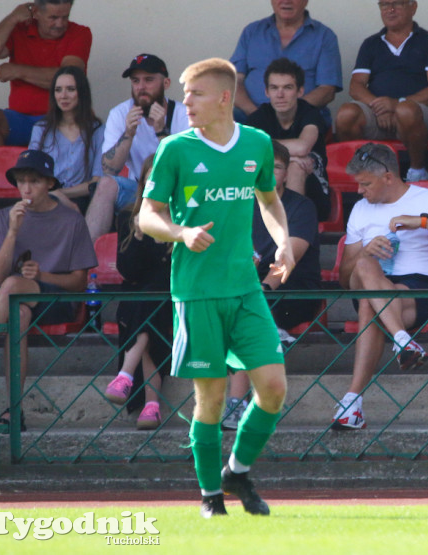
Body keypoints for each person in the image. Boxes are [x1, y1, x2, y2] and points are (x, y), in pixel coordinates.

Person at [139, 58, 294, 518]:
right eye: (184, 95)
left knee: (273, 389)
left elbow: (270, 201)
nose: (185, 102)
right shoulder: (175, 149)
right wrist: (180, 233)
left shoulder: (258, 144)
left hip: (245, 290)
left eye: (195, 94)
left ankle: (237, 471)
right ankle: (210, 496)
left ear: (224, 98)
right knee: (210, 399)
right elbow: (148, 216)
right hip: (196, 292)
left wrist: (283, 243)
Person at [332, 143, 428, 430]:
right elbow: (344, 278)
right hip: (371, 281)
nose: (359, 192)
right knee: (364, 268)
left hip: (419, 288)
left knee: (370, 304)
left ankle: (352, 403)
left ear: (388, 177)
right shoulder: (360, 210)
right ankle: (402, 340)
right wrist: (366, 252)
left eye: (365, 184)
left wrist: (423, 221)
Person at [0, 150, 97, 431]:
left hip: (59, 299)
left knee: (12, 286)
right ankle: (14, 412)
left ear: (49, 184)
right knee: (17, 311)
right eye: (21, 182)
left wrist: (43, 275)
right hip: (18, 299)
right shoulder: (6, 218)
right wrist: (12, 232)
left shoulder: (72, 220)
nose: (26, 189)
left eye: (33, 181)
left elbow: (80, 283)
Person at [222, 140, 322, 431]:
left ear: (287, 173)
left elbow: (288, 257)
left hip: (295, 292)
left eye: (276, 167)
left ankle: (236, 404)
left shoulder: (301, 207)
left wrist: (264, 289)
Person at [335, 0, 428, 182]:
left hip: (418, 116)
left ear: (413, 7)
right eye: (385, 4)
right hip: (377, 113)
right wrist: (379, 107)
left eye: (397, 3)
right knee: (346, 114)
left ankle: (417, 172)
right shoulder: (370, 44)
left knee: (406, 110)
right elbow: (356, 86)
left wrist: (396, 104)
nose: (390, 9)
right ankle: (362, 171)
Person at [84, 54, 189, 240]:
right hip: (138, 190)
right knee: (106, 184)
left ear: (166, 83)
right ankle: (87, 262)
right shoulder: (120, 113)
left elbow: (187, 169)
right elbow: (110, 169)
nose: (141, 87)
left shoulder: (183, 114)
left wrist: (160, 132)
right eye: (135, 81)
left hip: (176, 192)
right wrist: (128, 133)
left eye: (149, 80)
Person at [103, 158, 172, 430]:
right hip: (140, 299)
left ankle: (125, 375)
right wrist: (141, 234)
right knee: (146, 311)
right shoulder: (128, 217)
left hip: (174, 297)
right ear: (143, 183)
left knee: (151, 302)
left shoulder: (185, 217)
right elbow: (128, 271)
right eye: (152, 179)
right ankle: (151, 405)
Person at [0, 0, 92, 147]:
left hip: (62, 118)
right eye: (53, 18)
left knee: (81, 124)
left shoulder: (80, 33)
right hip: (19, 119)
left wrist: (18, 71)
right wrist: (12, 18)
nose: (60, 24)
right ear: (36, 12)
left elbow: (70, 78)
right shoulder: (20, 29)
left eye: (65, 17)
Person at [231, 0, 342, 129]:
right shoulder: (252, 32)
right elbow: (234, 80)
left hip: (301, 117)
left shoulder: (324, 36)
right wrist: (257, 114)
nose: (286, 0)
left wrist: (287, 114)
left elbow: (327, 89)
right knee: (213, 125)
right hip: (250, 114)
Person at [245, 58, 331, 221]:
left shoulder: (310, 113)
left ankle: (290, 230)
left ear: (300, 91)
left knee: (294, 168)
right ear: (266, 92)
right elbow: (246, 150)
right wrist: (288, 157)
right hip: (268, 188)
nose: (280, 94)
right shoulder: (259, 117)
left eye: (288, 87)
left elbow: (302, 147)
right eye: (274, 88)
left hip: (314, 194)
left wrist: (270, 151)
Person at [28, 66, 104, 211]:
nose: (63, 96)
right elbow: (30, 174)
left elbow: (96, 182)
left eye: (70, 89)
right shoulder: (41, 129)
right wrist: (54, 194)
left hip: (82, 200)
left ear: (82, 93)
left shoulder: (97, 130)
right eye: (58, 90)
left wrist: (61, 194)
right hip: (45, 199)